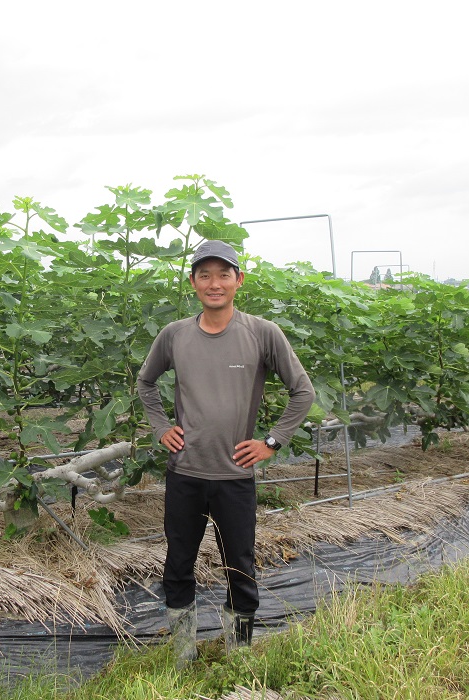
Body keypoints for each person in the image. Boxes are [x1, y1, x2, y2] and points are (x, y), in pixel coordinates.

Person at [137, 239, 316, 665]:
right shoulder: (175, 335)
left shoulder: (261, 333)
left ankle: (239, 654)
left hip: (235, 476)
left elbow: (302, 391)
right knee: (178, 561)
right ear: (194, 283)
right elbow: (146, 383)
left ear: (239, 280)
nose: (214, 283)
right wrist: (162, 428)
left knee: (240, 564)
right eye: (204, 275)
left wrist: (271, 442)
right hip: (186, 472)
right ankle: (183, 652)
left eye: (223, 274)